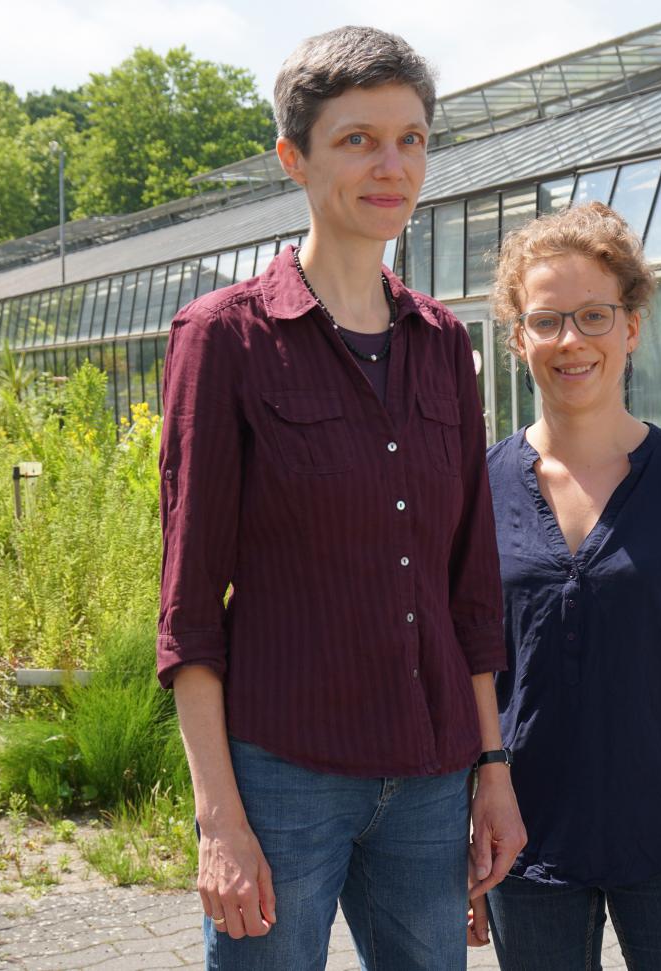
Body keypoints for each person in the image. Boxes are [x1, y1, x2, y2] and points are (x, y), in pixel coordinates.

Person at [156, 26, 525, 971]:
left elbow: (469, 590)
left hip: (435, 773)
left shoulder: (443, 343)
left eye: (410, 139)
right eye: (358, 138)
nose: (390, 164)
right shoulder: (226, 340)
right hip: (285, 779)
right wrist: (220, 822)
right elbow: (190, 611)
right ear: (295, 157)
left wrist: (492, 769)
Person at [469, 202, 661, 968]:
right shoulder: (476, 490)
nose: (572, 340)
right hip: (524, 844)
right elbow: (463, 664)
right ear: (517, 338)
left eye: (595, 315)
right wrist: (466, 819)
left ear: (631, 327)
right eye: (547, 320)